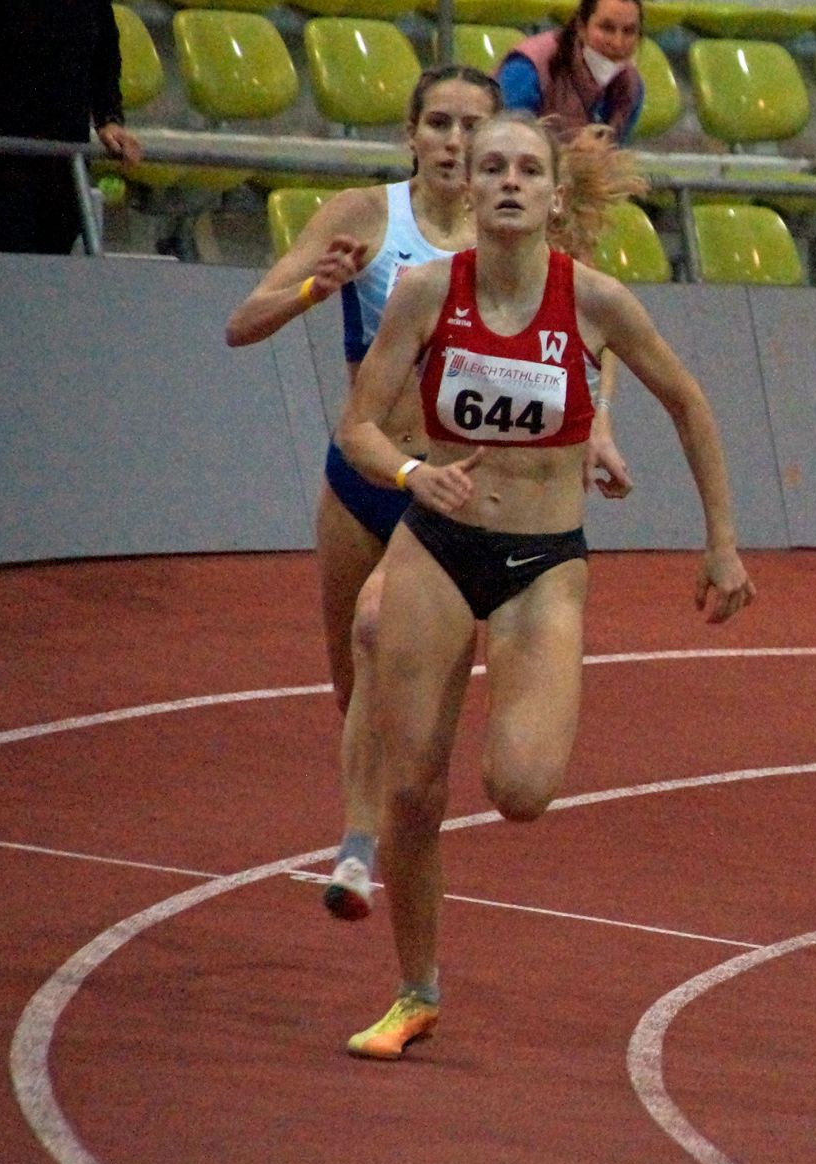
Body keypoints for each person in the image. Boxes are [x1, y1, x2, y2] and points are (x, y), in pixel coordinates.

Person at [334, 112, 754, 1059]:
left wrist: (722, 543)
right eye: (493, 168)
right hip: (437, 546)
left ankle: (514, 697)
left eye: (528, 169)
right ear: (469, 188)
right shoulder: (426, 292)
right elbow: (357, 428)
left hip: (542, 563)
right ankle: (415, 991)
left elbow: (688, 402)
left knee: (521, 788)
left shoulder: (595, 302)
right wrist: (411, 475)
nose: (511, 182)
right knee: (415, 789)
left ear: (556, 196)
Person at [224, 67, 634, 924]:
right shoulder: (367, 216)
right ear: (411, 136)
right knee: (359, 690)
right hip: (365, 480)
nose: (455, 142)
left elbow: (595, 341)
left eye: (471, 127)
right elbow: (243, 322)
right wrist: (318, 287)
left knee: (379, 629)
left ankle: (357, 851)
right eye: (439, 124)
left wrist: (597, 428)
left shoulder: (515, 223)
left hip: (454, 491)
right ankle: (375, 823)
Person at [0, 0, 143, 254]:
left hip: (63, 156)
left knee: (52, 248)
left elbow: (104, 50)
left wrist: (109, 118)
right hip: (7, 152)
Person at [498, 0, 646, 146]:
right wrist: (569, 153)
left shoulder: (631, 86)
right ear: (581, 27)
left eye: (629, 31)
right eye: (606, 28)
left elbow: (616, 149)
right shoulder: (528, 68)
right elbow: (504, 143)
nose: (617, 43)